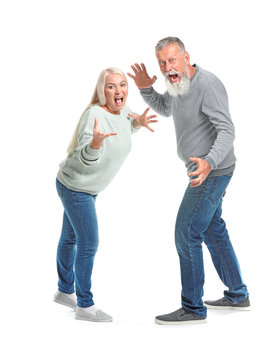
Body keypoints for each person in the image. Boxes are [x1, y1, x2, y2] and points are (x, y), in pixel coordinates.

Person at [128, 37, 250, 325]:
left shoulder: (207, 85)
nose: (168, 67)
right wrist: (146, 88)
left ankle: (193, 308)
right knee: (212, 229)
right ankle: (237, 294)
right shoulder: (177, 84)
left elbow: (227, 130)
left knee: (186, 232)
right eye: (162, 63)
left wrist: (209, 162)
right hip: (204, 169)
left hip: (212, 171)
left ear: (186, 57)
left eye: (172, 60)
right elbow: (167, 107)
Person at [54, 67, 157, 322]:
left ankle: (64, 291)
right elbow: (85, 156)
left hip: (86, 189)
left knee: (70, 238)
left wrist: (138, 123)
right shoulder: (94, 115)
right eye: (111, 86)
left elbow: (124, 127)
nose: (118, 90)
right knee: (88, 242)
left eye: (122, 85)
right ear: (102, 91)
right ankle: (84, 305)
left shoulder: (123, 110)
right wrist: (95, 144)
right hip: (76, 187)